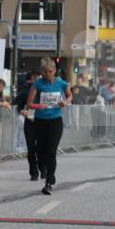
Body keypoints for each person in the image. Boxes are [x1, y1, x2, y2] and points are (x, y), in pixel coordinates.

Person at [27, 58, 71, 195]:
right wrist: (37, 106)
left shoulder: (62, 83)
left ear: (55, 71)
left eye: (50, 71)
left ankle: (49, 182)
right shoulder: (38, 84)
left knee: (51, 151)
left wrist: (65, 101)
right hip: (40, 121)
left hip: (55, 121)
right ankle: (44, 169)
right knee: (41, 152)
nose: (47, 74)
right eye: (45, 72)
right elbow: (29, 103)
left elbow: (70, 96)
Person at [13, 70, 43, 180]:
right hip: (30, 122)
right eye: (35, 78)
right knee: (31, 149)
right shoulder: (26, 91)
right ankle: (34, 173)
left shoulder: (45, 91)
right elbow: (18, 106)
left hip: (43, 122)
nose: (37, 80)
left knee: (41, 148)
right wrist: (22, 111)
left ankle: (42, 167)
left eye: (39, 77)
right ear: (31, 79)